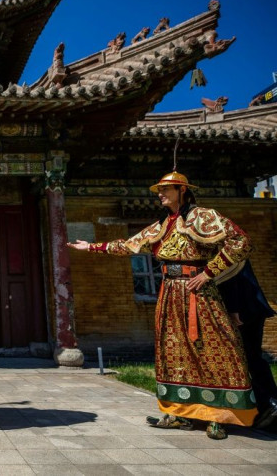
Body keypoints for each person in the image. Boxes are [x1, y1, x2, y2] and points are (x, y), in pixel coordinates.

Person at [68, 171, 257, 440]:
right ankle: (182, 413)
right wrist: (91, 247)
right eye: (159, 190)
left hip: (198, 292)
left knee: (213, 347)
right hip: (169, 291)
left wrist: (209, 272)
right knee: (174, 352)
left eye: (166, 189)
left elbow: (241, 241)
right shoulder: (163, 224)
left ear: (182, 190)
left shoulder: (202, 216)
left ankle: (218, 417)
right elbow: (129, 245)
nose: (160, 194)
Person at [217, 260, 277, 429]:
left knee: (245, 359)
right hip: (251, 306)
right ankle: (268, 405)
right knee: (252, 358)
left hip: (240, 310)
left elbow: (230, 275)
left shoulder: (217, 239)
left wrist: (233, 310)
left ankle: (268, 405)